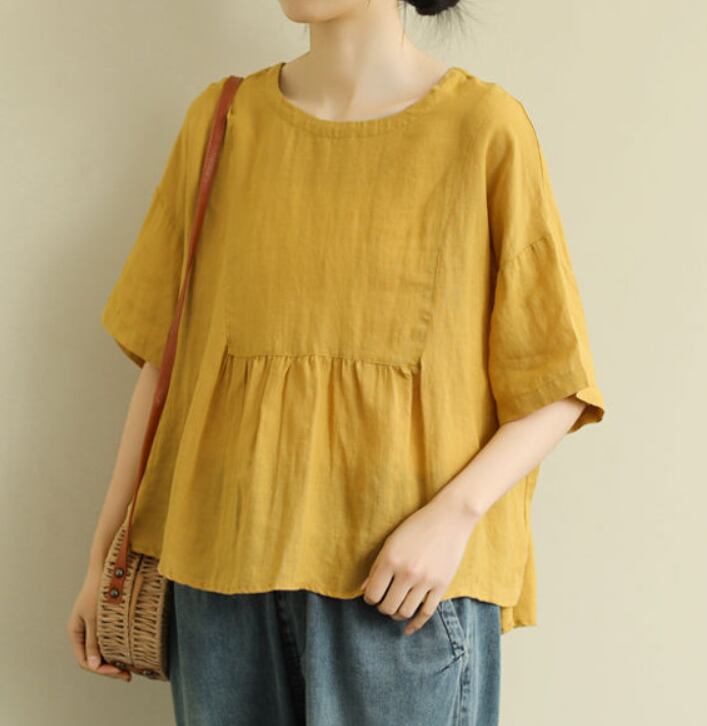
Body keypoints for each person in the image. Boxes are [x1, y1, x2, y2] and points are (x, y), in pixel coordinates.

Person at [67, 0, 606, 723]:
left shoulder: (482, 128)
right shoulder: (223, 121)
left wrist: (453, 517)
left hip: (397, 590)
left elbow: (556, 383)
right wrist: (103, 560)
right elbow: (165, 366)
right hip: (218, 576)